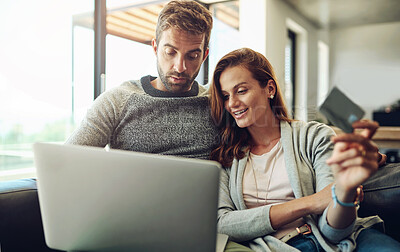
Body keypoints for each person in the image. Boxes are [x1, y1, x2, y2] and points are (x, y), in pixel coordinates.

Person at [209, 47, 400, 251]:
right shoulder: (226, 157)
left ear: (270, 89)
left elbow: (334, 231)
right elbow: (223, 224)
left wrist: (345, 191)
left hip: (335, 241)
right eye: (226, 96)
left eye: (241, 90)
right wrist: (311, 203)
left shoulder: (315, 136)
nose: (232, 103)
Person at [66, 0, 218, 160]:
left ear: (204, 56)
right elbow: (66, 162)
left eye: (192, 56)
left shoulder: (218, 102)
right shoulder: (116, 102)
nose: (180, 67)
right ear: (155, 48)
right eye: (170, 52)